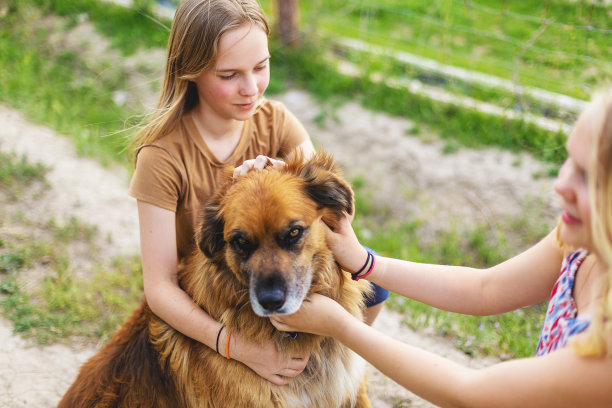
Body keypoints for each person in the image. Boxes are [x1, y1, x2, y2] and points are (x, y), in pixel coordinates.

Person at [271, 88, 612, 407]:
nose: (560, 183)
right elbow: (485, 290)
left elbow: (470, 394)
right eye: (569, 160)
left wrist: (342, 326)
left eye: (588, 177)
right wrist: (367, 264)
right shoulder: (580, 245)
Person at [128, 0, 387, 386]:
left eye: (261, 67)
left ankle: (334, 375)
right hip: (216, 298)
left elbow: (334, 212)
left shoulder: (276, 120)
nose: (251, 89)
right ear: (191, 70)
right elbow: (160, 288)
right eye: (230, 74)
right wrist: (235, 346)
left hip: (269, 276)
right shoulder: (162, 157)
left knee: (373, 282)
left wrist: (287, 181)